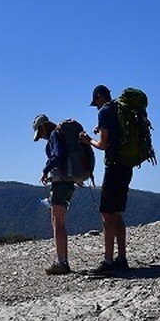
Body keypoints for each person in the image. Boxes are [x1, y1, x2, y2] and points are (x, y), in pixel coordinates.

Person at [81, 85, 131, 273]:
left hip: (114, 166)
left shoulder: (104, 111)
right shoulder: (119, 109)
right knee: (117, 213)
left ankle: (108, 261)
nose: (96, 107)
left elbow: (103, 144)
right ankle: (122, 258)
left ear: (99, 96)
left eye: (96, 102)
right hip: (127, 165)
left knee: (106, 214)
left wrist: (88, 140)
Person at [32, 113, 74, 275]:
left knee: (57, 222)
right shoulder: (61, 134)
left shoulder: (55, 135)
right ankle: (62, 260)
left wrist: (45, 170)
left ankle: (62, 262)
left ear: (43, 127)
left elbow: (57, 156)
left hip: (60, 183)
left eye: (40, 133)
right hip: (69, 182)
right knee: (59, 220)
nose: (41, 137)